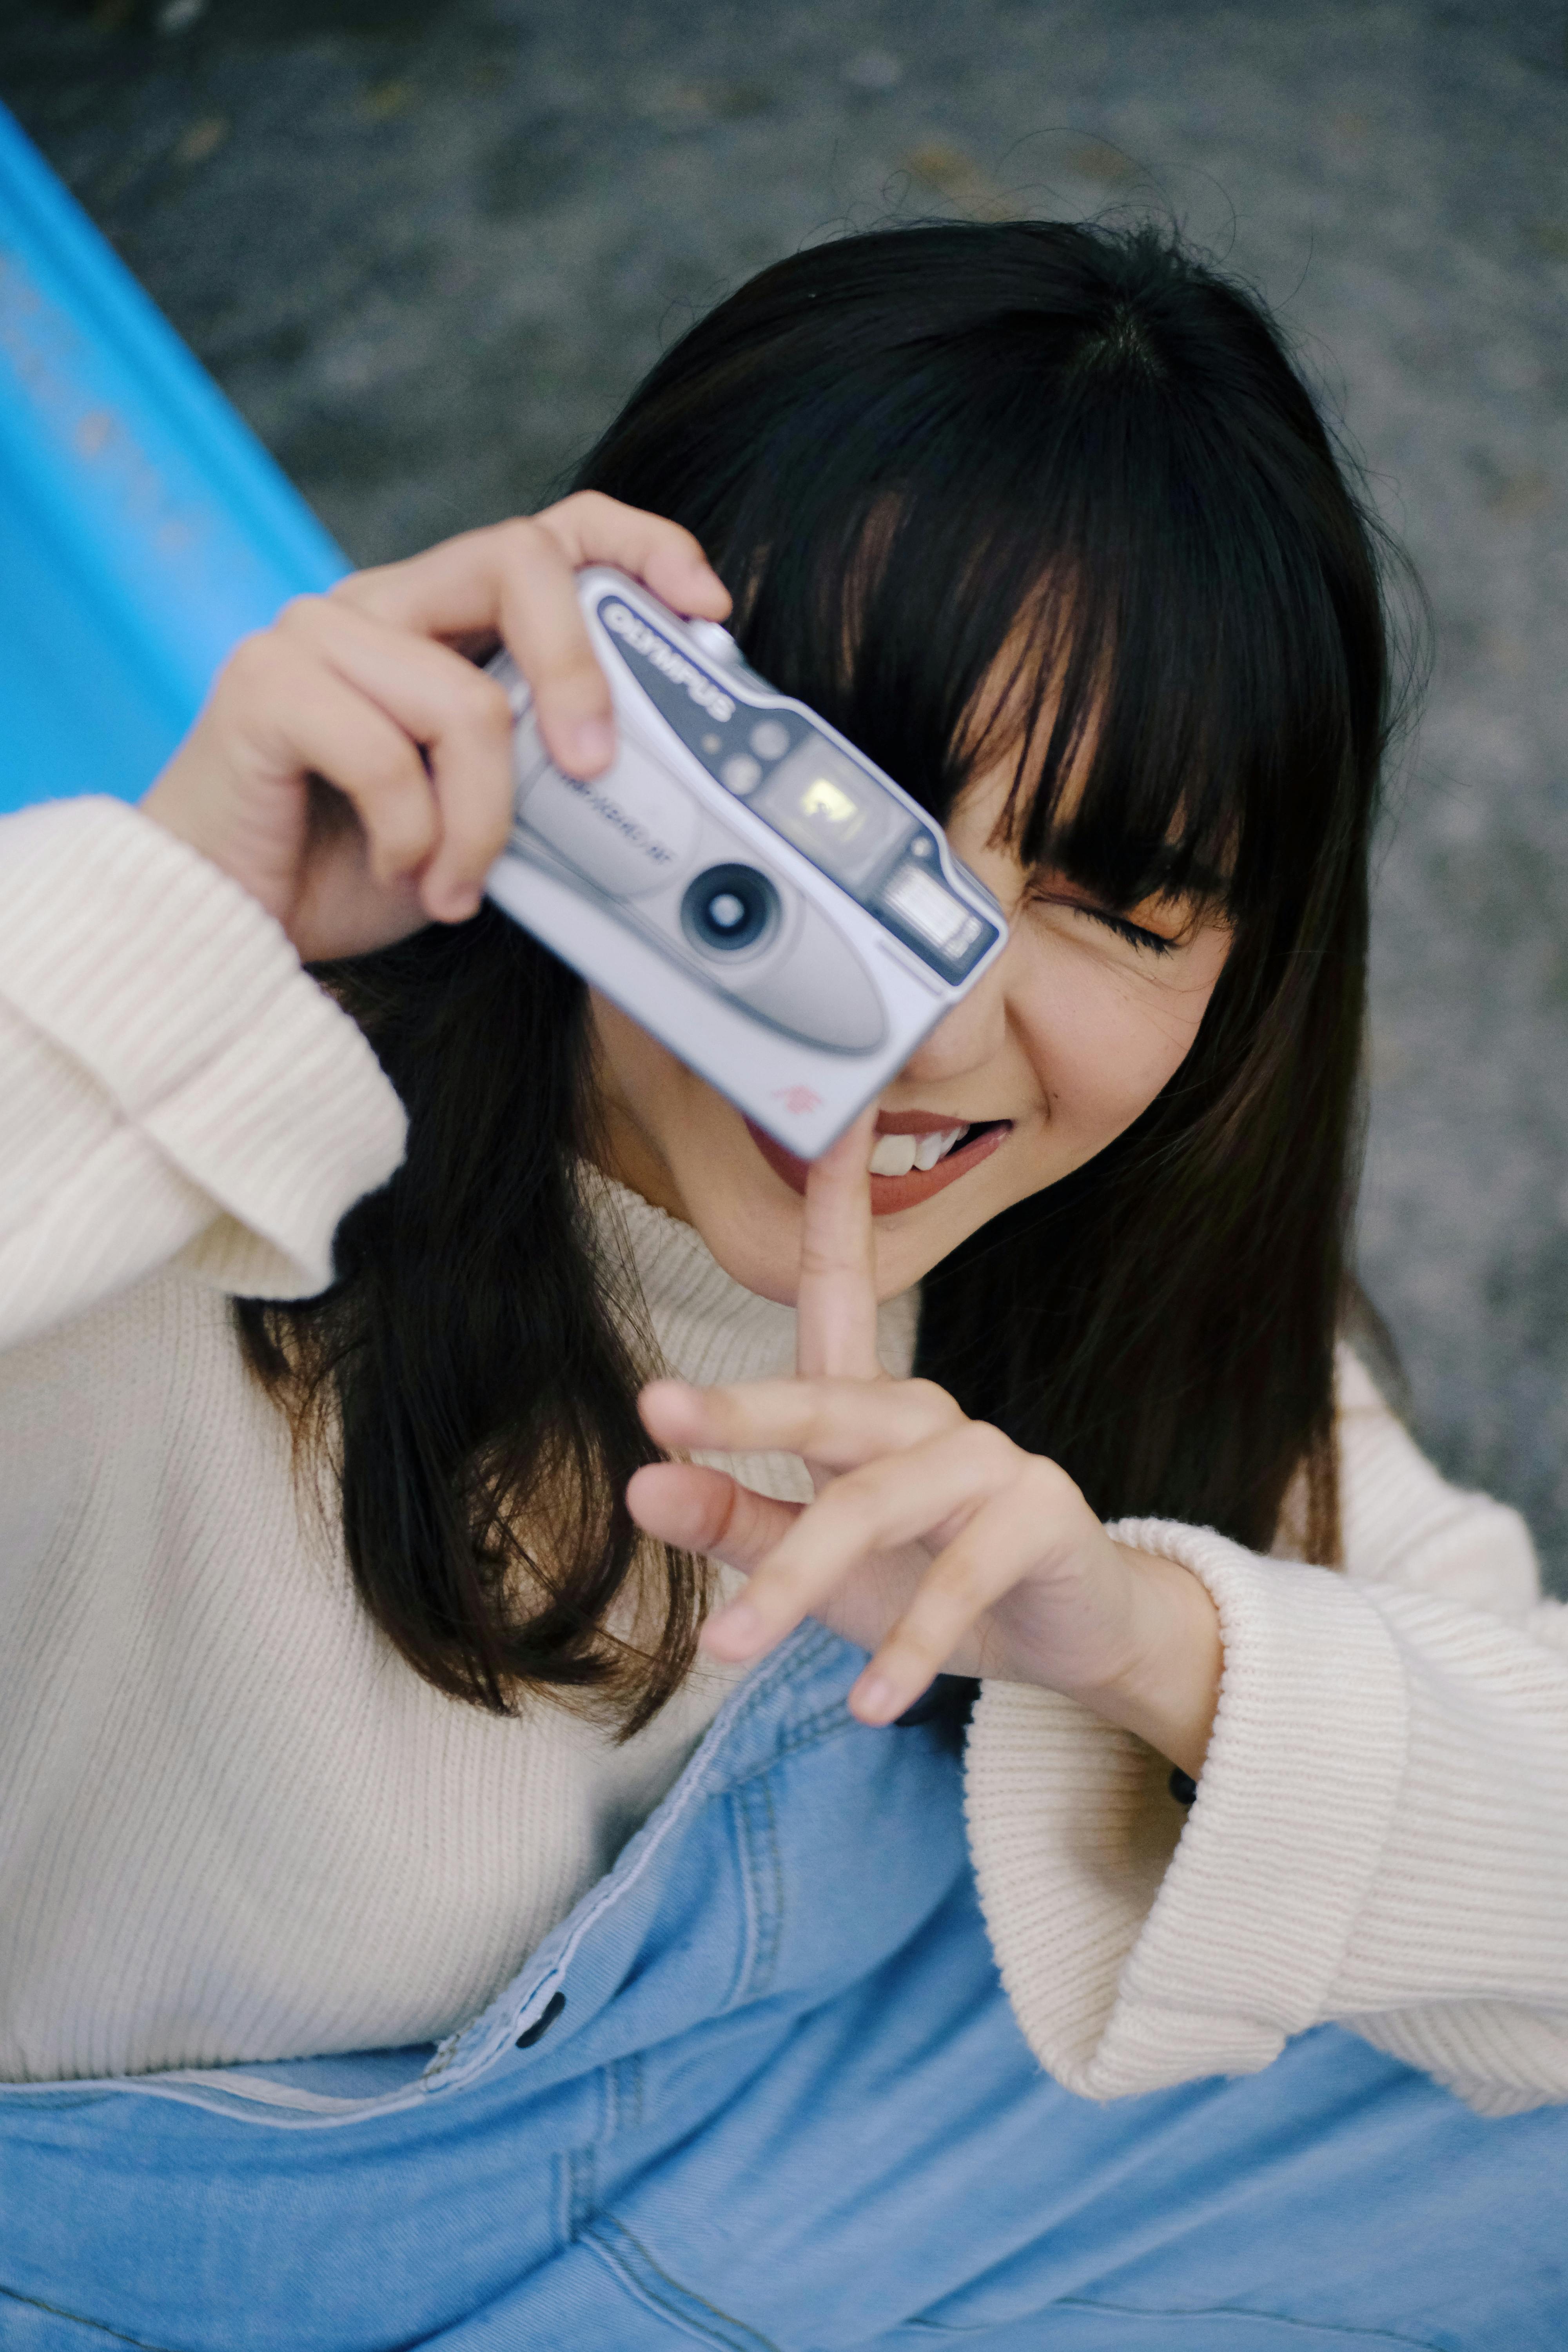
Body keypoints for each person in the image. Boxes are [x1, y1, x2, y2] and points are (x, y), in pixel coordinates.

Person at [1, 220, 1565, 2350]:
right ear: (596, 717)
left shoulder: (1112, 1284)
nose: (927, 1037)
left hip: (776, 2199)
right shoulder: (152, 1170)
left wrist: (1137, 1636)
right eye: (855, 837)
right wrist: (164, 922)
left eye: (1110, 902)